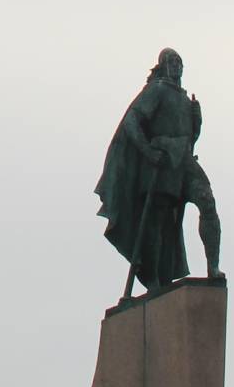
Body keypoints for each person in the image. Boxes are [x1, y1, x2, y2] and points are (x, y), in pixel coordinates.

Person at [95, 48, 222, 292]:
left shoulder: (185, 99)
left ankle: (213, 267)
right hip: (162, 161)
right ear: (162, 65)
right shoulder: (157, 90)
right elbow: (132, 120)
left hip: (183, 160)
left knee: (207, 202)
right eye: (171, 61)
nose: (176, 66)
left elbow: (190, 137)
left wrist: (197, 122)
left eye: (179, 62)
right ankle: (153, 279)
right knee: (158, 220)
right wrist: (147, 151)